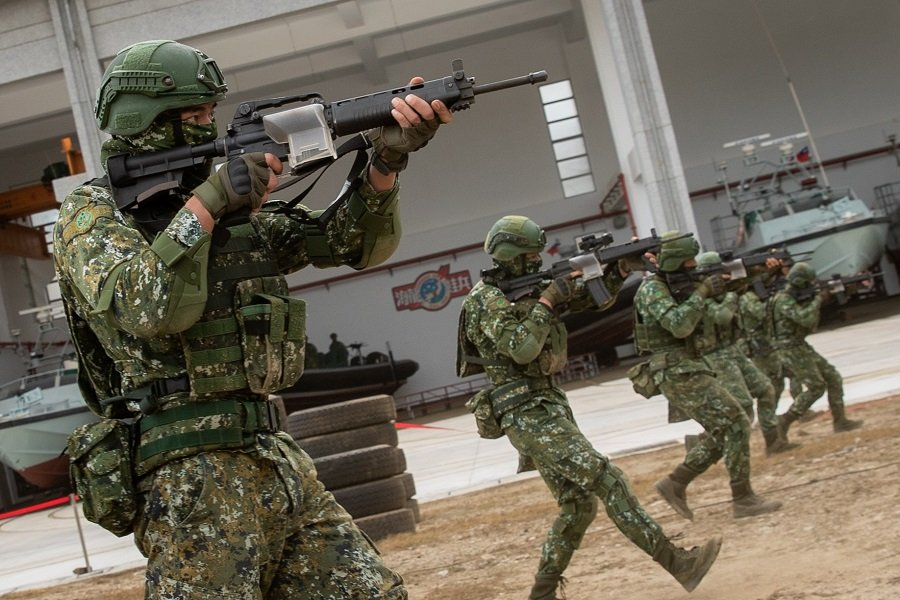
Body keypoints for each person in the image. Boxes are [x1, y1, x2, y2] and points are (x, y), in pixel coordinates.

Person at [55, 39, 451, 598]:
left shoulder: (229, 203)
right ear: (143, 120)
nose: (205, 126)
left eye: (208, 113)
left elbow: (346, 241)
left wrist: (385, 161)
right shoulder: (90, 215)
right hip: (189, 477)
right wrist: (208, 205)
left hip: (272, 455)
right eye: (192, 115)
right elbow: (147, 307)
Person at [457, 216, 721, 600]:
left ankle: (542, 593)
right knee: (607, 478)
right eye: (530, 256)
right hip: (523, 409)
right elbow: (521, 348)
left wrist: (617, 271)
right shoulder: (486, 300)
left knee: (577, 506)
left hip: (544, 404)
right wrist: (548, 300)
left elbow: (592, 299)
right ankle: (678, 563)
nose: (536, 262)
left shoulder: (522, 289)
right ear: (510, 255)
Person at [633, 232, 782, 521]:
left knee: (729, 426)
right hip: (675, 371)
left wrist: (762, 273)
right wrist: (702, 292)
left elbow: (732, 286)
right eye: (688, 263)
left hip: (690, 367)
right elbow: (679, 325)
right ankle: (742, 498)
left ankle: (676, 483)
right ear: (676, 261)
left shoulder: (677, 284)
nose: (693, 268)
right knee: (737, 421)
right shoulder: (652, 289)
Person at [693, 251, 795, 455]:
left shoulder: (721, 291)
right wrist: (733, 293)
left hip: (731, 349)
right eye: (719, 273)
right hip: (714, 355)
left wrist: (767, 269)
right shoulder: (699, 296)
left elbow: (746, 282)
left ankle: (773, 442)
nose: (725, 276)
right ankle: (701, 445)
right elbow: (722, 316)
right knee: (743, 406)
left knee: (766, 389)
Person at [770, 262, 863, 442]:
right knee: (816, 387)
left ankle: (840, 421)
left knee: (833, 377)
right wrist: (818, 299)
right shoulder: (784, 299)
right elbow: (806, 319)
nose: (812, 285)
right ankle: (784, 421)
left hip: (799, 345)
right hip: (789, 348)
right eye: (808, 282)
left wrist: (835, 294)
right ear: (799, 282)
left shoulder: (797, 296)